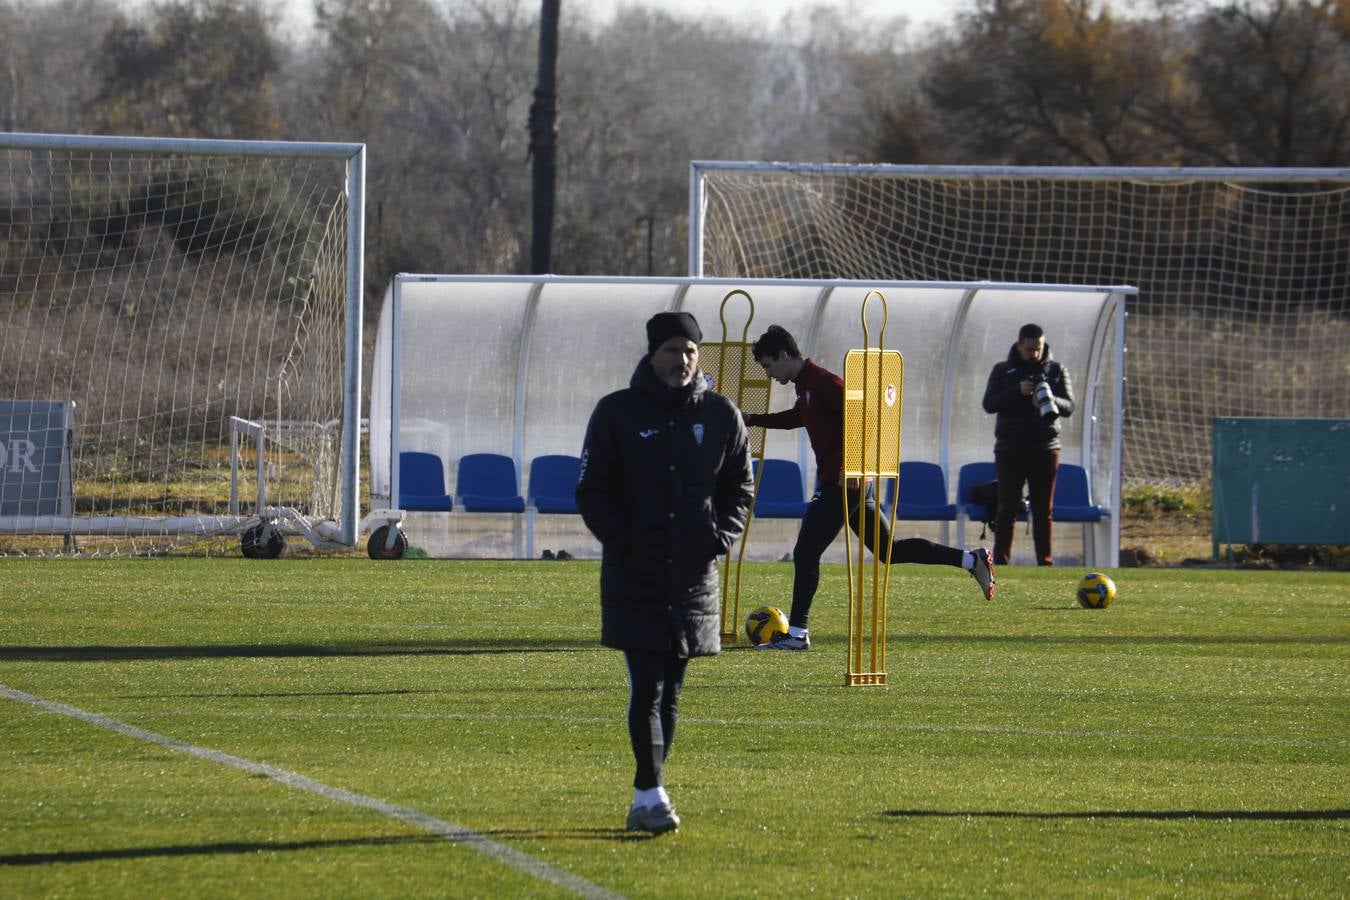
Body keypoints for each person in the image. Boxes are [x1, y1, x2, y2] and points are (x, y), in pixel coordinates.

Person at [576, 310, 754, 834]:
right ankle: (652, 793)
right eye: (674, 350)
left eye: (691, 351)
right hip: (637, 574)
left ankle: (645, 792)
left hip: (694, 578)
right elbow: (591, 491)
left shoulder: (722, 415)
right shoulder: (616, 413)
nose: (683, 360)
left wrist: (718, 539)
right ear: (653, 354)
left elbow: (740, 489)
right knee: (647, 685)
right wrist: (627, 540)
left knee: (672, 691)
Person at [740, 325, 996, 652]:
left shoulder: (823, 381)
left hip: (845, 483)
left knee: (805, 553)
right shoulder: (805, 385)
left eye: (767, 365)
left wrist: (854, 465)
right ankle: (970, 560)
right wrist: (752, 418)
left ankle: (798, 633)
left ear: (783, 355)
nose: (768, 373)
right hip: (855, 484)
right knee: (890, 551)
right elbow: (797, 417)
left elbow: (867, 415)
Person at [981, 323, 1075, 567]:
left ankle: (1045, 561)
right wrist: (1017, 391)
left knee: (1044, 509)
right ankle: (1000, 561)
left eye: (1038, 348)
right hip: (1010, 449)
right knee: (1007, 508)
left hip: (1046, 447)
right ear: (1020, 344)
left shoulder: (1056, 370)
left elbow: (1070, 406)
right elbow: (989, 403)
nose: (1034, 354)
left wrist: (1049, 399)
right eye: (1030, 349)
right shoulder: (1003, 370)